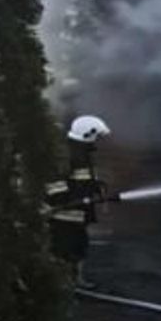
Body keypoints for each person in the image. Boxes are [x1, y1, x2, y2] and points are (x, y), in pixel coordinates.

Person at [48, 115, 110, 283]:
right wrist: (64, 201)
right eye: (96, 136)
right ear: (88, 134)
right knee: (64, 248)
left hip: (78, 213)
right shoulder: (67, 154)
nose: (98, 141)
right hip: (64, 215)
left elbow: (84, 179)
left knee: (79, 246)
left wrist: (98, 187)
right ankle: (61, 283)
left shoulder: (82, 152)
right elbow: (54, 182)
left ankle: (76, 280)